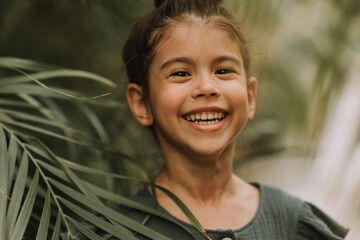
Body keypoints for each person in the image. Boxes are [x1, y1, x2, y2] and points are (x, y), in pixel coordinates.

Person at [67, 0, 349, 239]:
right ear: (142, 103)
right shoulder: (118, 230)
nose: (207, 87)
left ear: (250, 96)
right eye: (180, 73)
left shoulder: (291, 222)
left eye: (224, 70)